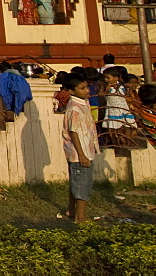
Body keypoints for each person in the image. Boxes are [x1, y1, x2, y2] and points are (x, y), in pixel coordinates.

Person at [61, 72, 99, 223]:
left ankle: (71, 210)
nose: (87, 90)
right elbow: (74, 132)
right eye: (82, 88)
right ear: (71, 91)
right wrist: (82, 154)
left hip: (85, 150)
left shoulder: (83, 104)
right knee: (82, 184)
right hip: (79, 153)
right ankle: (80, 217)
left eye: (86, 87)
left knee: (77, 182)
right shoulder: (74, 109)